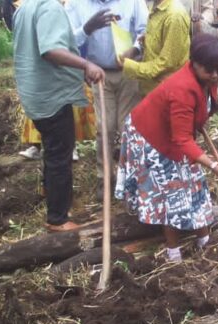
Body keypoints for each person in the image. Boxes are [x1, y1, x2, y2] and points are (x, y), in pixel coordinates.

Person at [115, 33, 218, 262]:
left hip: (174, 133)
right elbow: (183, 140)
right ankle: (173, 253)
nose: (215, 75)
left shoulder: (206, 78)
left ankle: (205, 242)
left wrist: (210, 105)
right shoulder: (182, 89)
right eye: (209, 70)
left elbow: (196, 117)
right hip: (149, 137)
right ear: (194, 63)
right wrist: (214, 165)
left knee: (195, 184)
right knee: (171, 192)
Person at [13, 0, 104, 232]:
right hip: (52, 95)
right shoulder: (49, 7)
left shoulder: (25, 7)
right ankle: (58, 218)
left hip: (35, 93)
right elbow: (51, 50)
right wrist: (86, 65)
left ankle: (52, 194)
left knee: (52, 149)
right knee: (60, 156)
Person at [65, 0, 148, 196]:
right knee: (105, 128)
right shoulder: (76, 4)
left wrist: (135, 49)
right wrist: (87, 29)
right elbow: (69, 42)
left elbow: (145, 30)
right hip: (98, 74)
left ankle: (133, 179)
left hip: (129, 72)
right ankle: (106, 179)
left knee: (129, 127)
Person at [118, 0, 190, 96]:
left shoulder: (175, 16)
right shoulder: (157, 7)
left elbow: (165, 64)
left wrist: (129, 66)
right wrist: (146, 40)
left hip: (166, 94)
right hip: (151, 91)